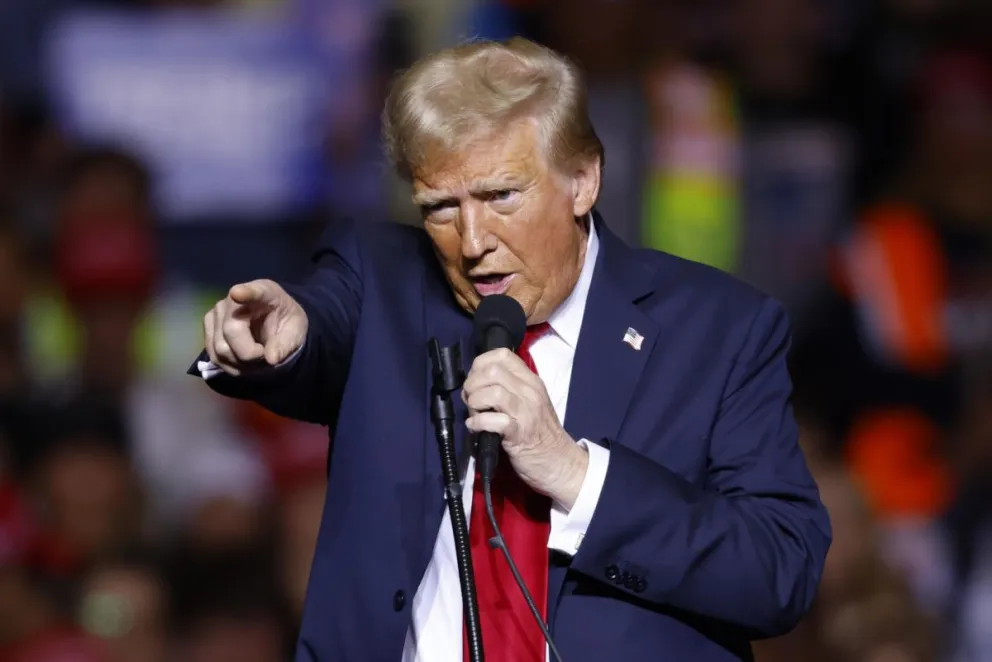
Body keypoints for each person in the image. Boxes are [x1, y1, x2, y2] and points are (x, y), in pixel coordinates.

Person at [191, 38, 831, 662]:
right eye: (440, 207)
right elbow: (320, 324)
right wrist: (283, 334)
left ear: (582, 180)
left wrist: (574, 474)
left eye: (501, 196)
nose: (472, 241)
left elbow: (780, 571)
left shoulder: (719, 329)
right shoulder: (382, 282)